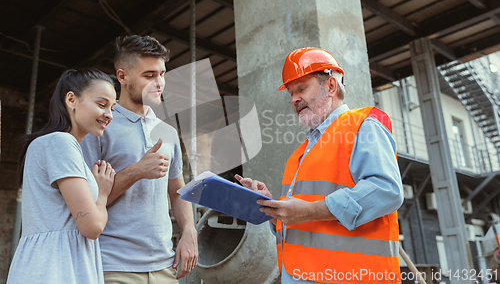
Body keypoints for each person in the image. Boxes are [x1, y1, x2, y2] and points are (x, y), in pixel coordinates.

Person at [236, 47, 404, 284]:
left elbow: (387, 190)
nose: (294, 99)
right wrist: (274, 209)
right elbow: (303, 222)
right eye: (291, 93)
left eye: (302, 88)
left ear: (331, 87)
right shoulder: (300, 154)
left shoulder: (362, 126)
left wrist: (309, 210)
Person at [80, 35, 198, 284]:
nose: (159, 83)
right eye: (149, 75)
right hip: (113, 266)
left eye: (162, 74)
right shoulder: (99, 127)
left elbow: (177, 192)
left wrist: (189, 230)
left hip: (165, 267)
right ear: (122, 77)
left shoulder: (168, 132)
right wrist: (136, 171)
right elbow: (84, 206)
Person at [7, 69, 117, 284]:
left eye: (113, 108)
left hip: (52, 265)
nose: (109, 114)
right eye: (102, 104)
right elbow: (92, 226)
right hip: (54, 269)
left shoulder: (56, 145)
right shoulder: (61, 143)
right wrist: (102, 193)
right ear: (71, 99)